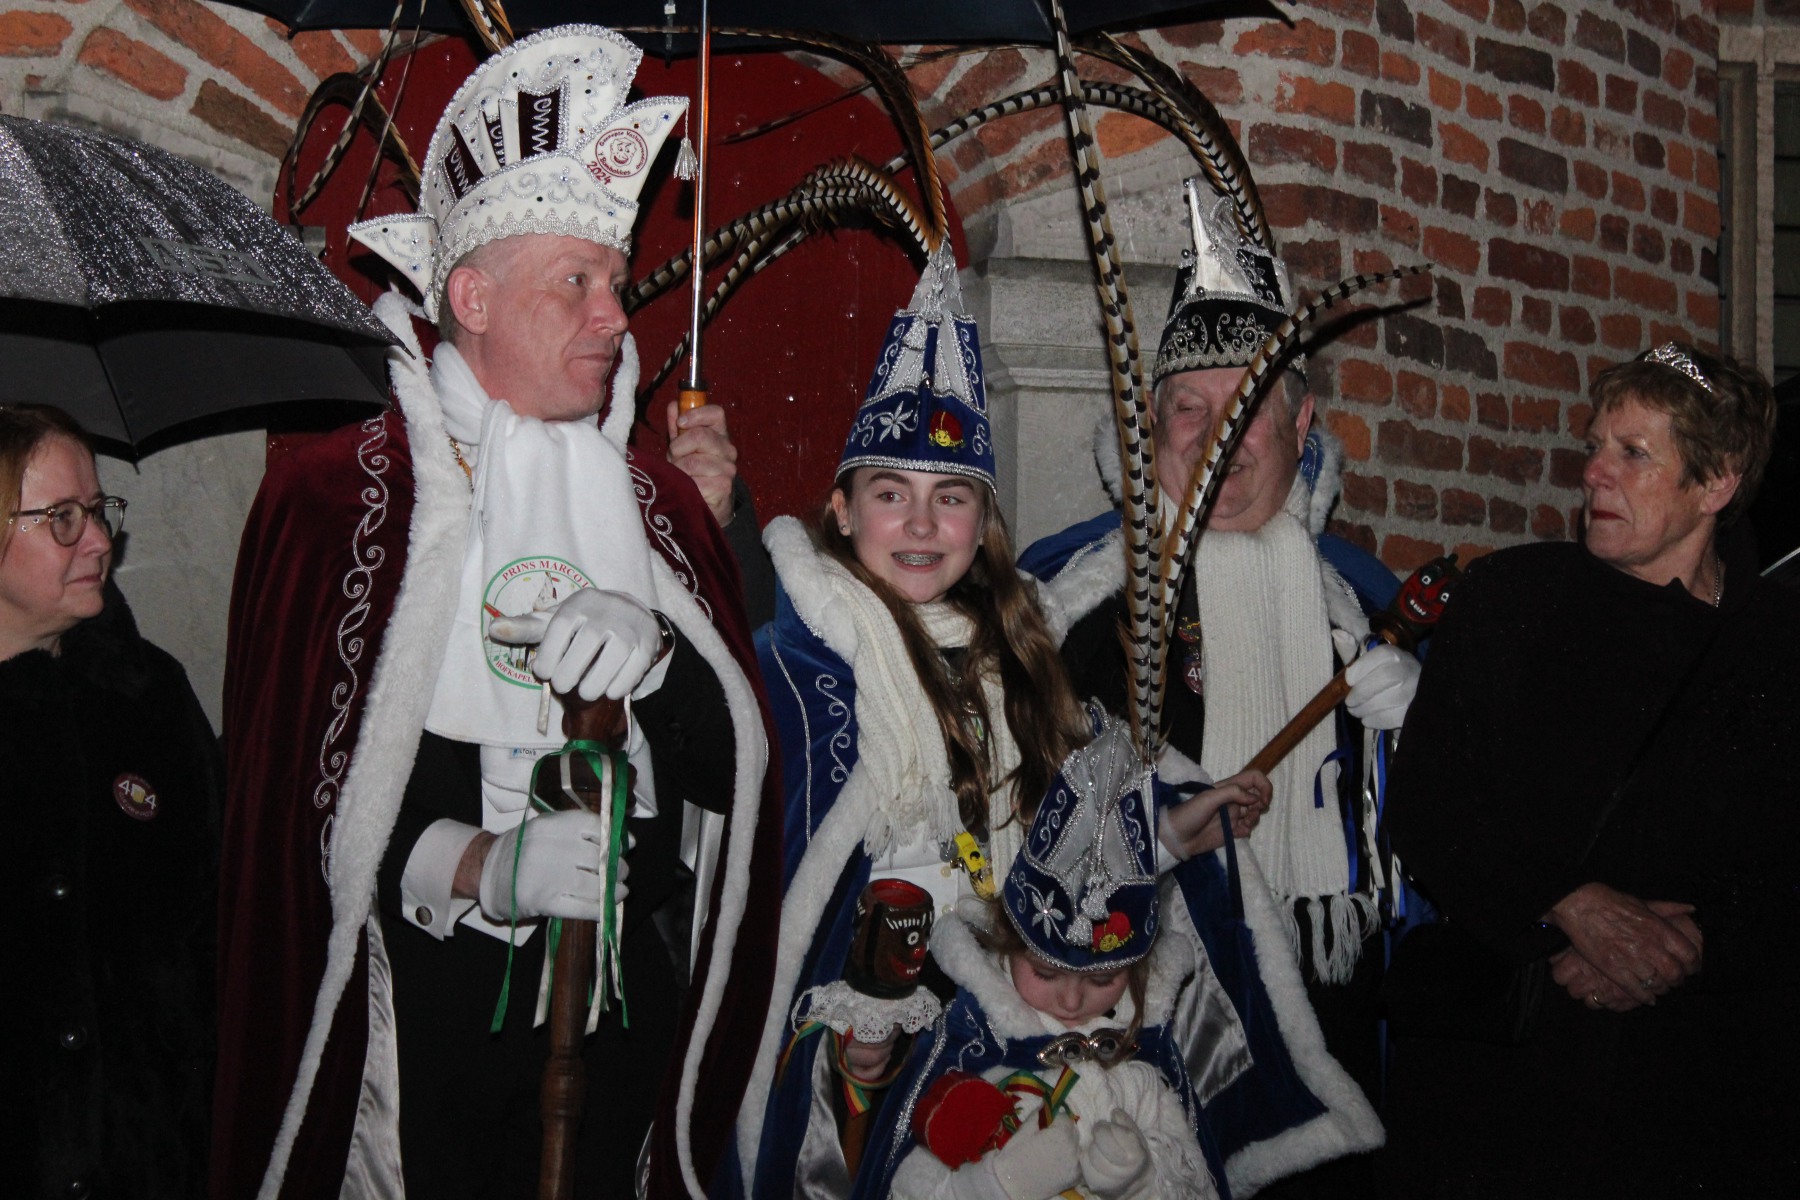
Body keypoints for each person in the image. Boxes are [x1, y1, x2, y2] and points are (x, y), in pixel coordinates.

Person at [211, 27, 780, 1200]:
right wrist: (477, 865)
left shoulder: (661, 504)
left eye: (616, 282)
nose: (615, 316)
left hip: (619, 1023)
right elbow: (287, 811)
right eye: (577, 283)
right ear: (470, 296)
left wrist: (660, 666)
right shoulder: (338, 500)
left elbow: (737, 781)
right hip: (417, 1037)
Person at [740, 246, 1379, 1200]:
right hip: (878, 1044)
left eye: (951, 497)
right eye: (891, 495)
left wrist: (1168, 835)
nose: (922, 525)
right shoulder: (807, 668)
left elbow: (1062, 840)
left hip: (1019, 1018)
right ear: (842, 508)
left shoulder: (1018, 657)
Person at [1020, 178, 1414, 1194]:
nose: (1215, 436)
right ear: (1151, 427)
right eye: (1188, 410)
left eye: (1246, 409)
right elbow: (1013, 831)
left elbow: (1442, 860)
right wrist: (1157, 830)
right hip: (1143, 1034)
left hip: (1337, 1028)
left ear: (1302, 421)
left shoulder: (1367, 604)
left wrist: (1421, 733)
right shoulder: (1065, 601)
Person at [1381, 343, 1797, 1195]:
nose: (1595, 473)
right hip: (1508, 1081)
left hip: (1706, 1091)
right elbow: (1427, 804)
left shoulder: (1778, 644)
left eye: (1633, 453)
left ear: (1716, 484)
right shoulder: (1508, 602)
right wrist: (1567, 906)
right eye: (1596, 446)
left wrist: (1687, 949)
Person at [0, 404, 221, 1199]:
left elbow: (217, 922)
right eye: (62, 518)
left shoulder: (146, 696)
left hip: (148, 1159)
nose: (98, 540)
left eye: (98, 511)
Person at [868, 714, 1226, 1200]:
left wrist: (1144, 1181)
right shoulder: (970, 1054)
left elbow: (1199, 1185)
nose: (1072, 1000)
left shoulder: (1142, 1072)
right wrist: (995, 1185)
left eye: (1102, 981)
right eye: (1044, 972)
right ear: (1007, 943)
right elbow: (907, 1188)